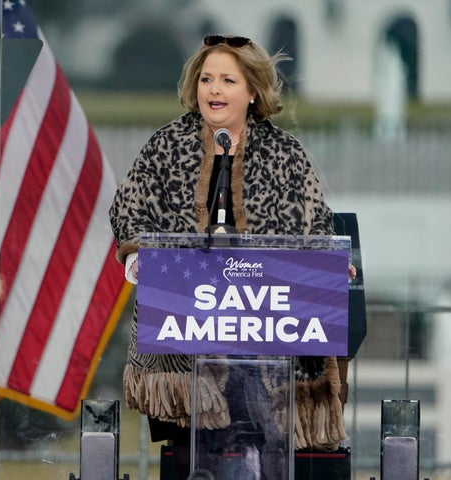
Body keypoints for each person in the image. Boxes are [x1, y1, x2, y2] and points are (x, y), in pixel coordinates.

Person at [108, 34, 350, 479]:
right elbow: (128, 211)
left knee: (262, 424)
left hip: (265, 332)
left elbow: (318, 227)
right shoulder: (166, 146)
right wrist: (138, 253)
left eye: (226, 80)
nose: (213, 90)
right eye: (206, 79)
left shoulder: (286, 154)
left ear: (253, 90)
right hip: (188, 331)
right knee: (201, 444)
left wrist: (331, 263)